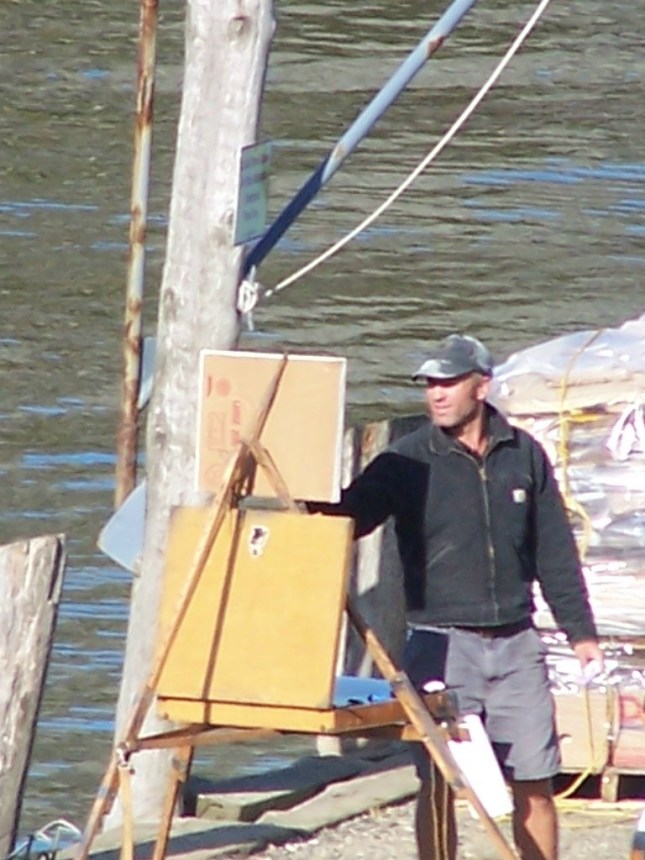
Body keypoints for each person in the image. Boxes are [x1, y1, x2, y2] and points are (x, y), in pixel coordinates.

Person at [310, 334, 603, 860]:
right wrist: (302, 494)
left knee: (535, 780)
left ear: (481, 386)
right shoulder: (406, 461)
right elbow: (344, 521)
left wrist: (581, 632)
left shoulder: (524, 456)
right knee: (442, 782)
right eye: (429, 385)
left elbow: (554, 551)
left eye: (448, 382)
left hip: (517, 645)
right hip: (441, 645)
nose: (436, 395)